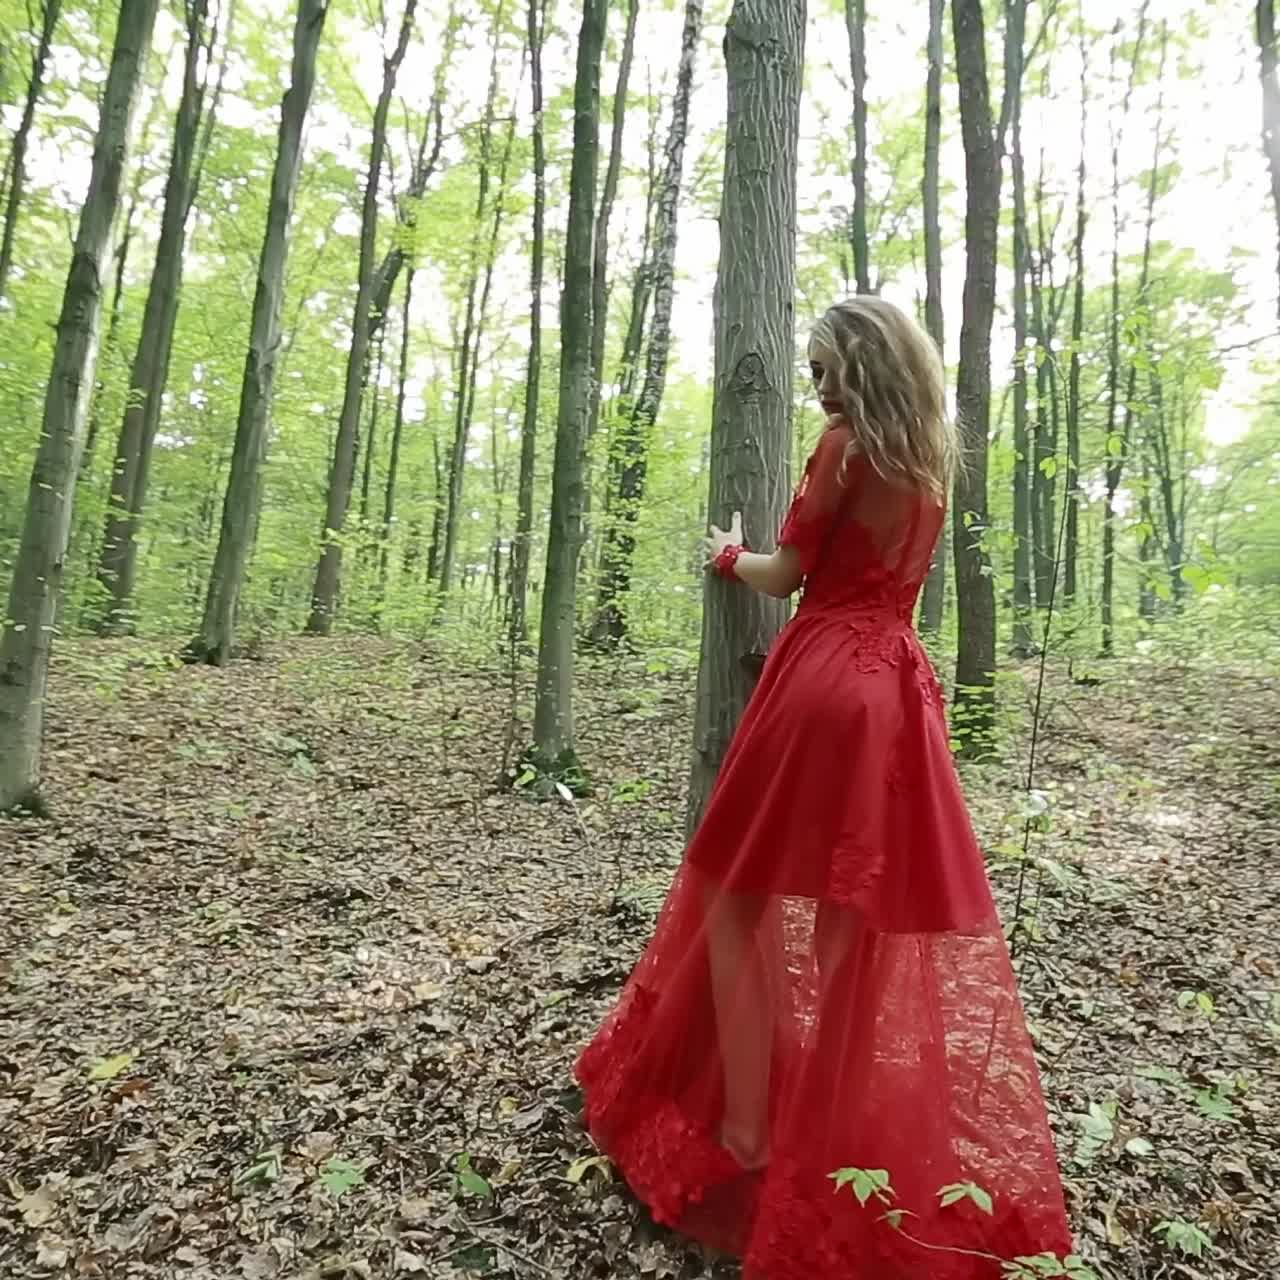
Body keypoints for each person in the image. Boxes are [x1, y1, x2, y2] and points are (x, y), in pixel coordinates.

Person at [574, 297, 1073, 1279]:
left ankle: (755, 1127)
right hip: (891, 691)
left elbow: (782, 572)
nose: (814, 386)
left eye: (820, 369)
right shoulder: (926, 456)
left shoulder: (843, 446)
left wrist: (724, 550)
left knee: (734, 896)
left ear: (855, 363)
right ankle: (831, 1141)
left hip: (818, 686)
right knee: (853, 925)